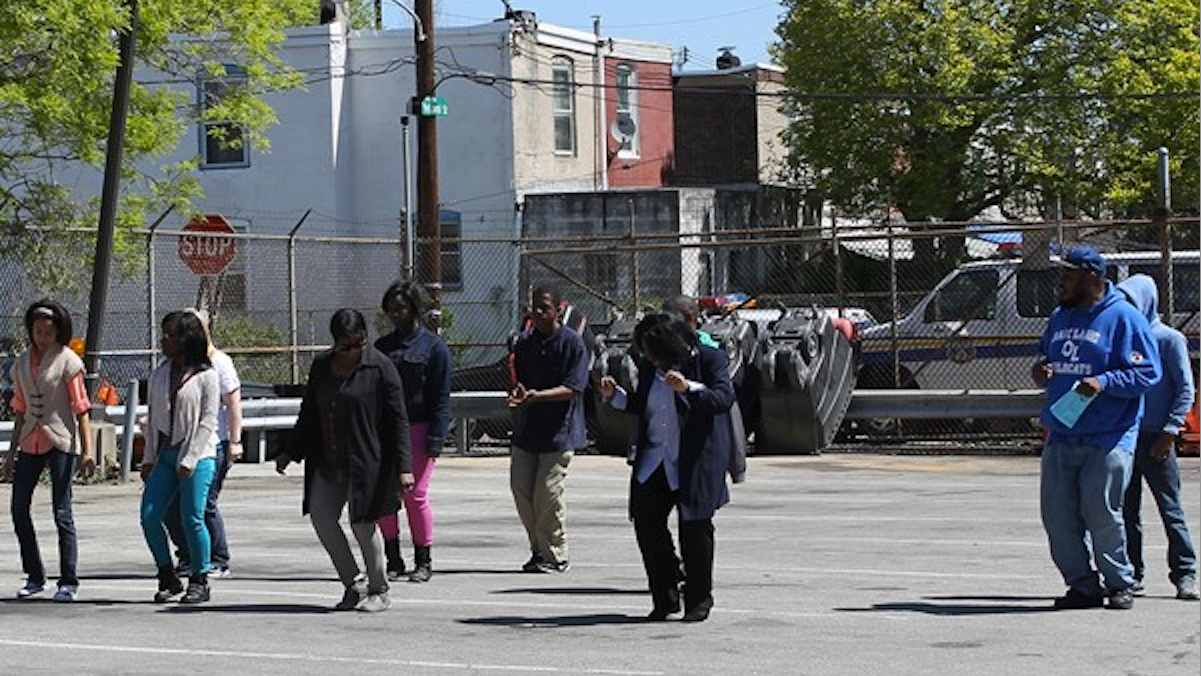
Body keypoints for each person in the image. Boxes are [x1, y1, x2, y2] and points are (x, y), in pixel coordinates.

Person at [1031, 246, 1160, 611]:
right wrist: (1042, 371)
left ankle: (1120, 583)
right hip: (1062, 431)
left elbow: (1147, 372)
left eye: (1068, 274)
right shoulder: (1059, 317)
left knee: (1101, 513)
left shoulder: (1123, 318)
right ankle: (1082, 586)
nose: (1061, 281)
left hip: (1109, 435)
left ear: (1092, 277)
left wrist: (1105, 381)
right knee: (1057, 517)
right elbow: (1044, 360)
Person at [599, 312, 737, 622]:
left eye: (653, 352)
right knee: (647, 525)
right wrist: (616, 397)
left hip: (694, 460)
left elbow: (723, 399)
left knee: (695, 528)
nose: (650, 359)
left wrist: (688, 388)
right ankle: (665, 596)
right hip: (654, 461)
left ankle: (699, 599)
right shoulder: (651, 367)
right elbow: (645, 405)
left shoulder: (710, 359)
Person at [276, 309, 414, 612]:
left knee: (363, 524)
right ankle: (353, 582)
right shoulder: (323, 366)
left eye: (358, 344)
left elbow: (398, 421)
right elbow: (309, 412)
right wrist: (290, 451)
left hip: (367, 463)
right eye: (345, 346)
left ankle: (379, 590)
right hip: (327, 460)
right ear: (335, 343)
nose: (353, 351)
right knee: (321, 517)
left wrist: (405, 468)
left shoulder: (380, 368)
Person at [2, 300, 95, 602]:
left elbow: (81, 409)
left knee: (62, 511)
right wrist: (11, 452)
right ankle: (34, 575)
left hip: (61, 442)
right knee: (18, 509)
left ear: (58, 333)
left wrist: (87, 450)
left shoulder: (68, 361)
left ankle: (68, 580)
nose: (42, 337)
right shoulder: (21, 363)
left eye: (48, 333)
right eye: (37, 331)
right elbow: (19, 408)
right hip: (30, 440)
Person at [1116, 274, 1199, 601]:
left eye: (1132, 304)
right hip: (1125, 436)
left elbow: (1185, 390)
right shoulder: (1122, 338)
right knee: (1126, 511)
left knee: (1170, 509)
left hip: (1156, 438)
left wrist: (1170, 432)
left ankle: (1185, 574)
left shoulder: (1168, 339)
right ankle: (1132, 574)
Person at [139, 311, 220, 604]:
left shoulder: (206, 376)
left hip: (198, 457)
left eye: (170, 335)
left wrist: (191, 459)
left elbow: (208, 421)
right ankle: (167, 575)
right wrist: (148, 458)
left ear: (186, 339)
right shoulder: (159, 373)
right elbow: (152, 419)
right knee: (149, 516)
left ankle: (200, 578)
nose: (164, 340)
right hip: (165, 454)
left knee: (192, 517)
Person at [374, 281, 451, 583]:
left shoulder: (434, 348)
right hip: (386, 432)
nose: (396, 313)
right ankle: (393, 558)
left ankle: (424, 559)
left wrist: (436, 438)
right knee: (384, 496)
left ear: (415, 309)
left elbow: (442, 398)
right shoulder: (381, 349)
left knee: (414, 495)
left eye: (402, 307)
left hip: (419, 429)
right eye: (391, 309)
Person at [508, 286, 589, 573]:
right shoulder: (525, 343)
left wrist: (536, 396)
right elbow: (521, 382)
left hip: (560, 432)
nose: (539, 313)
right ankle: (538, 551)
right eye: (535, 308)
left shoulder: (572, 344)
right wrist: (520, 392)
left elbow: (574, 388)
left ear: (557, 310)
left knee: (548, 493)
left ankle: (556, 554)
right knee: (521, 491)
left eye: (545, 308)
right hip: (528, 431)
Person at [164, 309, 243, 578]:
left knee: (205, 504)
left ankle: (218, 559)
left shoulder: (218, 363)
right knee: (173, 507)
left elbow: (232, 402)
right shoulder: (175, 366)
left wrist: (235, 441)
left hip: (213, 445)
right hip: (179, 445)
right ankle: (189, 554)